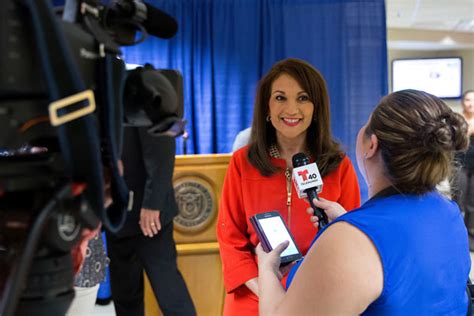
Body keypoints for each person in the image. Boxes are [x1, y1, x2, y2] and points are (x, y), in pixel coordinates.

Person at [257, 89, 471, 315]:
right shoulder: (449, 211)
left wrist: (267, 271)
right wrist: (350, 227)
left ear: (372, 145)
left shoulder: (347, 242)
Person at [217, 58, 361, 316]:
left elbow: (352, 241)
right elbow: (231, 239)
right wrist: (268, 291)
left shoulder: (340, 166)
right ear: (267, 107)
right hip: (254, 294)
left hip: (316, 296)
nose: (292, 109)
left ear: (316, 108)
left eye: (303, 98)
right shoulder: (242, 163)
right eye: (280, 98)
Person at [105, 128, 195, 316]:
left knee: (169, 294)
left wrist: (153, 204)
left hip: (149, 216)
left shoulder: (147, 99)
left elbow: (162, 151)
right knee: (125, 296)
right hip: (116, 213)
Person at [455, 90, 474, 250]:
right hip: (459, 164)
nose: (471, 104)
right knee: (459, 201)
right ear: (463, 102)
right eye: (468, 100)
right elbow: (453, 141)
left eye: (473, 100)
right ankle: (458, 235)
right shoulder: (457, 119)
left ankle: (471, 237)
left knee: (472, 204)